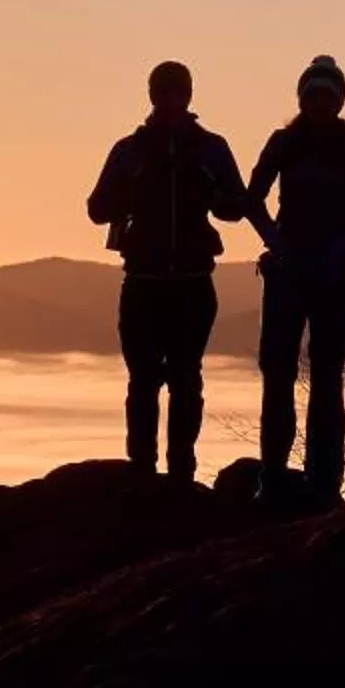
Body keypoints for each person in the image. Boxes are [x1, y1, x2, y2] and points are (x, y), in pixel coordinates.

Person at [85, 59, 248, 483]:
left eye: (178, 92)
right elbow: (97, 208)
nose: (173, 100)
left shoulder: (210, 148)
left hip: (190, 282)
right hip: (145, 282)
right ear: (153, 96)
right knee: (145, 381)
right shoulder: (131, 150)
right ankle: (143, 471)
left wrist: (208, 186)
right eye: (165, 92)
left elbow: (234, 206)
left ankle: (180, 473)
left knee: (183, 379)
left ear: (188, 95)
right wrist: (133, 189)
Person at [244, 55, 345, 501]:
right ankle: (274, 476)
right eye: (313, 94)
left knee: (325, 374)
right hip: (293, 270)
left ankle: (324, 482)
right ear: (302, 98)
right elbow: (252, 198)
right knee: (278, 372)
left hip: (332, 273)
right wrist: (276, 243)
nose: (320, 102)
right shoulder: (284, 143)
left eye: (328, 95)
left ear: (339, 100)